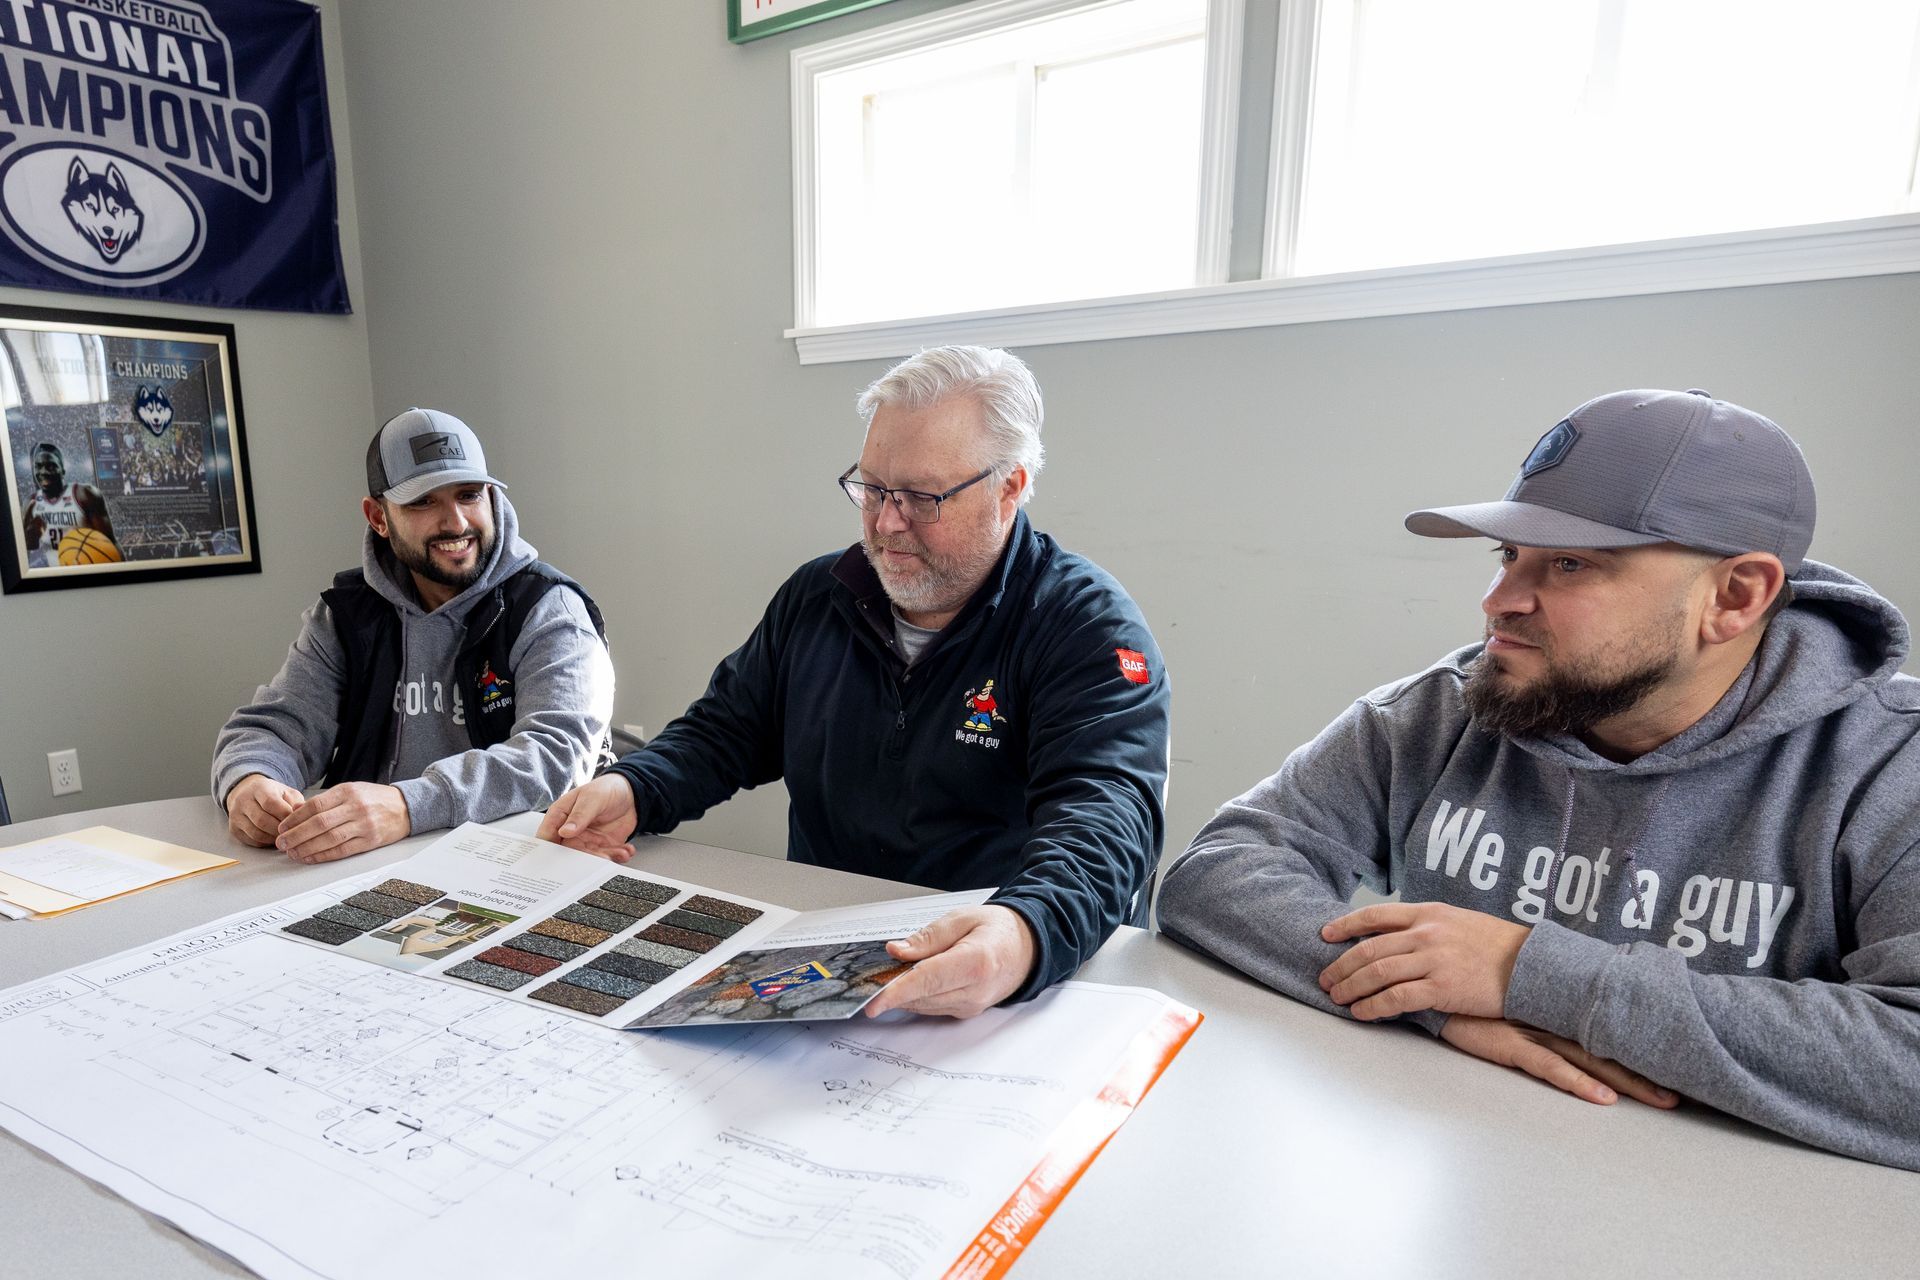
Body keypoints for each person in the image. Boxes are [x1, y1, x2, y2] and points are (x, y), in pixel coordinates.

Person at [1158, 388, 1920, 1173]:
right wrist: (1433, 1003)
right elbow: (1216, 873)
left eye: (1568, 564)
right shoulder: (1443, 712)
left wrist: (1529, 974)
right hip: (1455, 1179)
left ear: (1735, 597)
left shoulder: (1892, 766)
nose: (1498, 604)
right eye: (1508, 556)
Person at [539, 346, 1169, 1019]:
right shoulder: (819, 595)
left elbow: (1105, 819)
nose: (886, 522)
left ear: (1008, 487)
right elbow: (727, 730)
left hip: (985, 976)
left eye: (923, 498)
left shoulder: (1086, 628)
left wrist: (1022, 932)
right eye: (872, 489)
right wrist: (636, 786)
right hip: (819, 955)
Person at [213, 408, 616, 863]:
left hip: (516, 866)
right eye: (424, 501)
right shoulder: (345, 616)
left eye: (469, 495)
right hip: (365, 868)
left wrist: (408, 805)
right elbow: (276, 728)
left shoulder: (548, 609)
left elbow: (556, 759)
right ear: (378, 517)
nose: (457, 522)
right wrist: (251, 780)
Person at [21, 442, 115, 565]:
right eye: (38, 466)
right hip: (54, 573)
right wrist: (27, 538)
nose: (43, 471)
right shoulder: (30, 503)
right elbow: (30, 546)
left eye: (51, 466)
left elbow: (111, 542)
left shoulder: (84, 494)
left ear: (63, 471)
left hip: (86, 567)